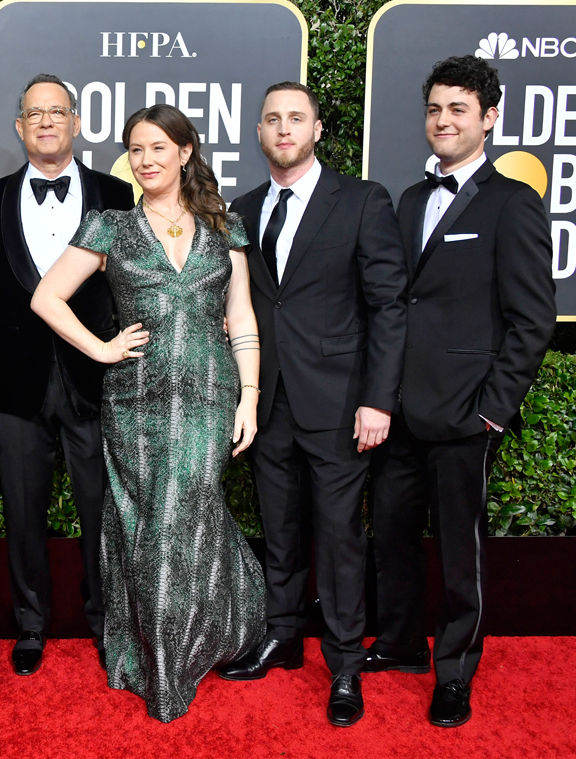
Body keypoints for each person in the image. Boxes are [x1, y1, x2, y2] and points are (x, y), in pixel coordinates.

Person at [31, 104, 266, 723]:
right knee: (147, 524)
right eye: (136, 150)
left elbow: (241, 317)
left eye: (159, 147)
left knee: (185, 518)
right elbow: (45, 297)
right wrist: (102, 347)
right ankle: (157, 664)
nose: (146, 160)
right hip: (135, 401)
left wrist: (250, 396)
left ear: (185, 153)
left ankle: (193, 643)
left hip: (211, 397)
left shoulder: (224, 226)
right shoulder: (109, 226)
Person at [368, 55, 556, 727]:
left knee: (458, 548)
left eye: (457, 109)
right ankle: (396, 645)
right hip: (400, 411)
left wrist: (491, 411)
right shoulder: (411, 199)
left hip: (463, 413)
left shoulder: (513, 204)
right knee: (389, 533)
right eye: (434, 109)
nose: (443, 121)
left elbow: (532, 319)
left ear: (489, 118)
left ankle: (454, 670)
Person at [221, 82, 408, 728]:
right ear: (259, 130)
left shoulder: (361, 201)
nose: (282, 129)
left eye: (295, 118)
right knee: (280, 533)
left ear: (318, 129)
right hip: (267, 401)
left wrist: (378, 400)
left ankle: (346, 664)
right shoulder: (240, 208)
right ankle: (281, 635)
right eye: (272, 119)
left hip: (339, 404)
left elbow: (388, 306)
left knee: (338, 539)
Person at [0, 74, 134, 676]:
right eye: (33, 114)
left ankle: (104, 622)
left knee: (101, 509)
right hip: (14, 382)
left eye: (57, 112)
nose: (45, 122)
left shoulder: (118, 195)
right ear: (18, 127)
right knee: (22, 509)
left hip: (95, 378)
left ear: (77, 124)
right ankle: (31, 624)